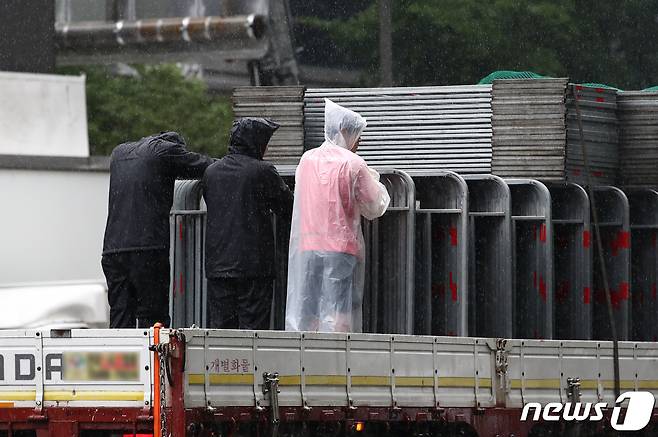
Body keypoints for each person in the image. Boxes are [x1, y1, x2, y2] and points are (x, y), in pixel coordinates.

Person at [285, 99, 390, 333]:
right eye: (357, 135)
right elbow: (375, 205)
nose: (358, 142)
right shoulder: (353, 163)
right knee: (337, 308)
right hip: (340, 249)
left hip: (308, 246)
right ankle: (334, 359)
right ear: (344, 131)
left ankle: (305, 354)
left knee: (308, 307)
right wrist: (375, 180)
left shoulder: (307, 159)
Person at [102, 131, 214, 328]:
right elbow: (206, 165)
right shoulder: (165, 151)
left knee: (120, 316)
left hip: (113, 250)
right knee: (153, 316)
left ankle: (124, 359)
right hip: (147, 247)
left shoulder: (119, 153)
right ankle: (151, 359)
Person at [202, 118, 293, 330]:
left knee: (221, 331)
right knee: (253, 333)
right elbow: (287, 207)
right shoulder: (261, 171)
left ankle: (224, 364)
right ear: (257, 143)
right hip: (253, 266)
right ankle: (249, 365)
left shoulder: (211, 172)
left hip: (218, 267)